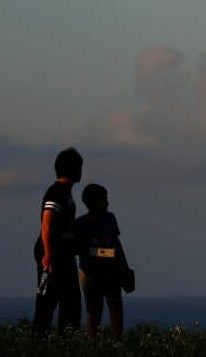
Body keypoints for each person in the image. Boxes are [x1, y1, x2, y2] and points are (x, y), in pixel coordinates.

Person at [32, 147, 84, 339]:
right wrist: (48, 256)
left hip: (64, 254)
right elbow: (46, 224)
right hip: (54, 255)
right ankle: (40, 338)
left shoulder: (64, 193)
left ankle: (67, 339)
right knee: (46, 298)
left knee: (70, 300)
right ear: (74, 169)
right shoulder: (56, 193)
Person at [76, 183, 132, 343]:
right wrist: (106, 253)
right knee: (94, 310)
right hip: (90, 272)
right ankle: (94, 342)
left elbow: (116, 242)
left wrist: (124, 265)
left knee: (115, 306)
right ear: (93, 202)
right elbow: (80, 248)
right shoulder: (81, 224)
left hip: (110, 271)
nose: (107, 203)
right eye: (104, 200)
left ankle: (117, 342)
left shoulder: (110, 218)